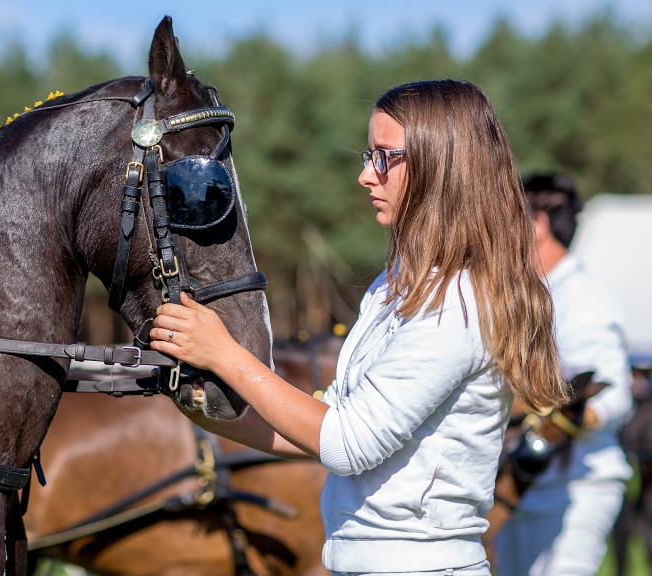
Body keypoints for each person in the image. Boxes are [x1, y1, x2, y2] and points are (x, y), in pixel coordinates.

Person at [150, 80, 566, 576]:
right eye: (369, 155)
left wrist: (224, 354)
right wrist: (194, 401)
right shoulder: (393, 286)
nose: (365, 175)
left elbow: (349, 443)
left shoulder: (462, 302)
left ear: (439, 167)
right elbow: (324, 428)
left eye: (384, 158)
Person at [493, 173, 633, 576]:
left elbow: (615, 393)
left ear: (537, 224)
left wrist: (560, 424)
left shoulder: (583, 296)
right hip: (522, 485)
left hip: (577, 486)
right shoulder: (534, 292)